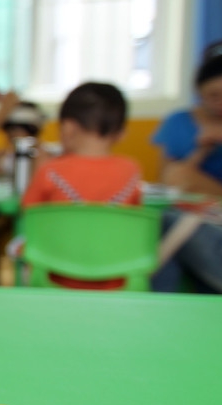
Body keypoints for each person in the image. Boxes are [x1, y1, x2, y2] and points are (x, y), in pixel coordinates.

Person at [20, 82, 143, 290]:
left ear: (67, 129)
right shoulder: (132, 171)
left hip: (57, 277)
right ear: (121, 133)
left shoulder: (50, 171)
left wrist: (38, 169)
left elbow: (28, 214)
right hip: (117, 278)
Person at [153, 41, 222, 203]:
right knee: (177, 173)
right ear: (199, 92)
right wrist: (201, 150)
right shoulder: (178, 122)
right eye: (214, 96)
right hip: (194, 204)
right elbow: (167, 181)